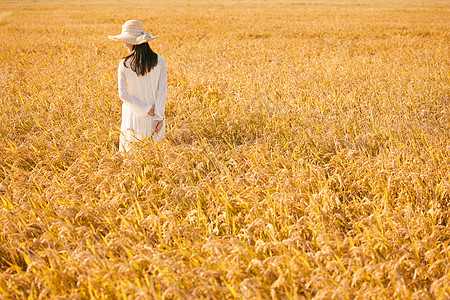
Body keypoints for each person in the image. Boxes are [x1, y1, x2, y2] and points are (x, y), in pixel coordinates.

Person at [109, 20, 167, 152]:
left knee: (131, 160)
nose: (124, 44)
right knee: (155, 159)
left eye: (126, 40)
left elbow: (123, 94)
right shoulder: (160, 61)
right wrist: (158, 116)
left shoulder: (124, 64)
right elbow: (162, 92)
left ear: (132, 42)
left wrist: (146, 109)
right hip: (154, 120)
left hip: (133, 118)